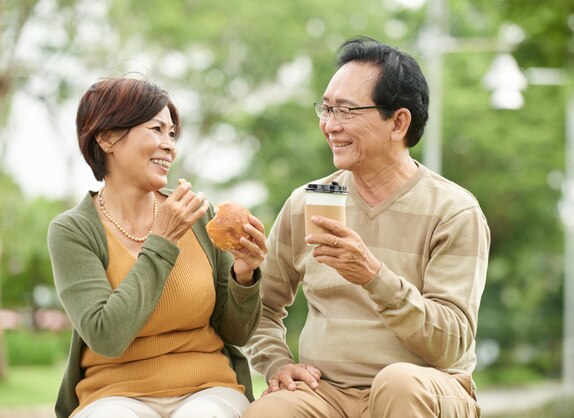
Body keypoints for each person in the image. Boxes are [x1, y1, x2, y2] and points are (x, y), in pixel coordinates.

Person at [243, 36, 490, 418]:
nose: (329, 125)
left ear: (399, 122)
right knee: (269, 412)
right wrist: (277, 364)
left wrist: (374, 276)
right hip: (327, 394)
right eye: (325, 109)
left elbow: (451, 345)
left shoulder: (454, 210)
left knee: (398, 384)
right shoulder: (306, 202)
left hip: (425, 388)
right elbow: (261, 308)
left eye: (345, 111)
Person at [48, 77, 267, 418]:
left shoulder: (197, 215)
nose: (170, 146)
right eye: (156, 129)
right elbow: (107, 337)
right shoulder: (73, 231)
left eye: (172, 134)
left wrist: (244, 274)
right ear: (106, 138)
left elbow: (234, 332)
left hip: (208, 390)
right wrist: (162, 241)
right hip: (111, 395)